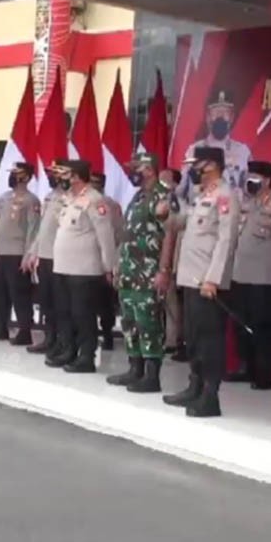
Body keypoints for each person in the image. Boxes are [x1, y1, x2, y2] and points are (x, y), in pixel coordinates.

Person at [164, 147, 240, 418]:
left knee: (210, 339)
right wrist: (172, 208)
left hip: (208, 281)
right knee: (194, 336)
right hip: (191, 277)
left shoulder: (225, 196)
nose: (192, 170)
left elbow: (226, 240)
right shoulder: (202, 195)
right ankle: (194, 386)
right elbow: (186, 224)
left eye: (197, 165)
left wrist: (213, 279)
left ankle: (210, 395)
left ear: (212, 166)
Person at [227, 161, 271, 390]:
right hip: (239, 274)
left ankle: (263, 374)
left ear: (267, 180)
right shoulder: (245, 203)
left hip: (263, 277)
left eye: (256, 177)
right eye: (249, 176)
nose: (250, 181)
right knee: (240, 324)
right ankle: (244, 367)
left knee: (262, 326)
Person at [47, 160, 118, 373]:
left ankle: (86, 356)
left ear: (77, 176)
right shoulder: (68, 199)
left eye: (65, 174)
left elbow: (105, 236)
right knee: (64, 312)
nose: (60, 178)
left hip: (84, 268)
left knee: (83, 314)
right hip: (63, 266)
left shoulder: (95, 200)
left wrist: (109, 266)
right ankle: (68, 350)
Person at [108, 153, 171, 392]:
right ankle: (135, 369)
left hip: (148, 271)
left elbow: (169, 235)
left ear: (150, 169)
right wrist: (118, 263)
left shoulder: (162, 196)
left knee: (148, 322)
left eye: (137, 167)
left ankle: (152, 376)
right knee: (130, 321)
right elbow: (128, 233)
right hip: (129, 271)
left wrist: (164, 270)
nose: (132, 172)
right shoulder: (138, 197)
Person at [0, 162, 40, 344]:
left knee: (20, 294)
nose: (12, 177)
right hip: (2, 251)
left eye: (16, 173)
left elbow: (33, 229)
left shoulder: (31, 200)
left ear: (26, 177)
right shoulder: (4, 198)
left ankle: (25, 331)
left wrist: (28, 254)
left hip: (17, 252)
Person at [26, 162, 70, 355]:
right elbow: (43, 228)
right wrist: (33, 252)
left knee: (61, 303)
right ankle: (49, 338)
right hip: (44, 256)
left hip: (59, 258)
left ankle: (62, 341)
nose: (51, 177)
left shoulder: (68, 199)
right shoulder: (50, 196)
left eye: (54, 173)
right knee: (46, 302)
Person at [183, 90, 252, 191]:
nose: (220, 116)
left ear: (231, 117)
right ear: (208, 117)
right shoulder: (193, 151)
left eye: (225, 112)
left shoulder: (243, 151)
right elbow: (182, 188)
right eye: (216, 111)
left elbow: (249, 190)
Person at [90, 172, 125, 351]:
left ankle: (107, 335)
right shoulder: (85, 202)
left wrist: (112, 262)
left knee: (105, 303)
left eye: (97, 183)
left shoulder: (111, 205)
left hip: (104, 260)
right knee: (88, 302)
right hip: (87, 259)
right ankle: (91, 335)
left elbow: (119, 233)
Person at [160, 168, 188, 362]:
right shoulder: (156, 202)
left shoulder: (179, 205)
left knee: (172, 304)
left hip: (171, 260)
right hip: (153, 258)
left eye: (166, 181)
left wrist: (171, 265)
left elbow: (175, 234)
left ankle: (173, 340)